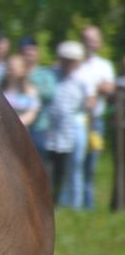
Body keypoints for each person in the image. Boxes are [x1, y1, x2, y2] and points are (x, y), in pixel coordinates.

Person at [38, 40, 95, 206]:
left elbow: (91, 100)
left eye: (72, 60)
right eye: (65, 59)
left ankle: (75, 204)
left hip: (75, 124)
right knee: (52, 165)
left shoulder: (83, 78)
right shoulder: (51, 74)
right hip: (52, 126)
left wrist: (88, 106)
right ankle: (53, 200)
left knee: (75, 165)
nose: (68, 63)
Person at [70, 25, 115, 210]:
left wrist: (93, 90)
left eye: (93, 39)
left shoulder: (104, 65)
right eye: (86, 38)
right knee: (74, 165)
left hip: (95, 121)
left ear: (100, 42)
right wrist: (96, 88)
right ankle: (74, 205)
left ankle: (89, 205)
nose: (90, 43)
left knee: (91, 165)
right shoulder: (76, 64)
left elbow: (109, 89)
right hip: (76, 120)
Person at [1, 53, 40, 130]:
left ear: (23, 69)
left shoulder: (30, 90)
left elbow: (32, 113)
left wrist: (15, 124)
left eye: (13, 66)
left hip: (21, 132)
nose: (10, 68)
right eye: (8, 65)